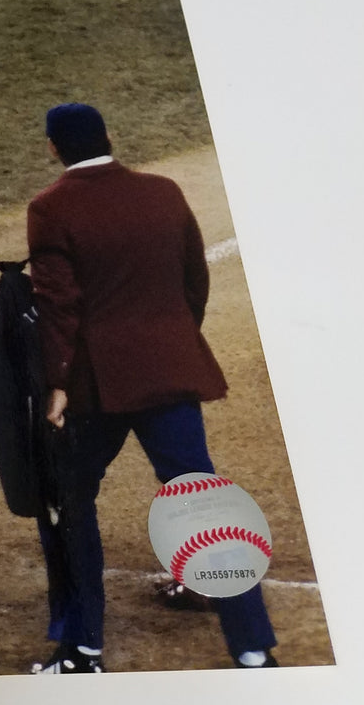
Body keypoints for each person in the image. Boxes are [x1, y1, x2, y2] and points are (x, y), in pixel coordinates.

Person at [25, 102, 278, 673]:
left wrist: (58, 383)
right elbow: (195, 280)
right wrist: (170, 344)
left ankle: (82, 648)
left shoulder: (50, 208)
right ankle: (253, 649)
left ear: (52, 148)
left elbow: (58, 304)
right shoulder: (164, 192)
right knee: (205, 502)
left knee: (67, 498)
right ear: (108, 137)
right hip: (170, 375)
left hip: (98, 387)